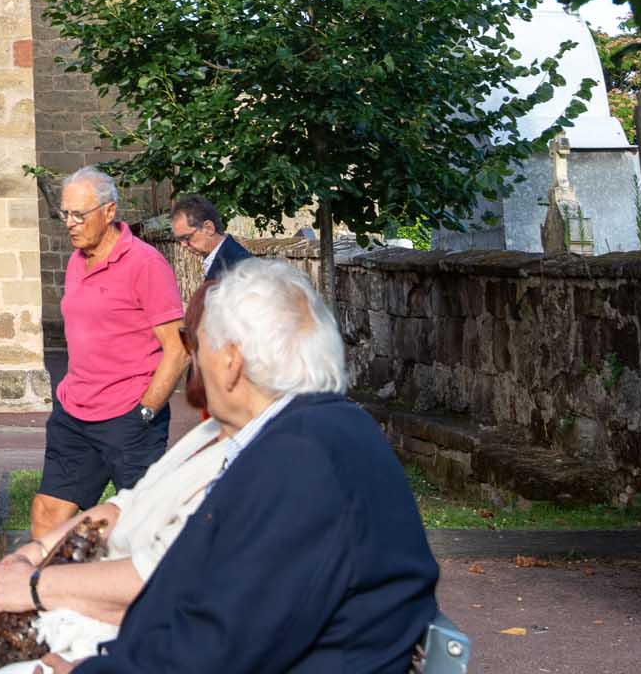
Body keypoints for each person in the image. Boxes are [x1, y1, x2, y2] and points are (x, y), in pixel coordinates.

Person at [64, 261, 440, 674]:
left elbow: (217, 648)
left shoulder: (300, 460)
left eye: (199, 349)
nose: (196, 365)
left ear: (231, 362)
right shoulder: (321, 432)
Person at [0, 282, 228, 671]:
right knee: (50, 510)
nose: (187, 355)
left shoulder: (267, 455)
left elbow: (165, 579)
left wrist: (34, 590)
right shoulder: (210, 437)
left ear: (232, 357)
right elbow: (124, 507)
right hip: (80, 414)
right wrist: (25, 558)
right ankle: (20, 640)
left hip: (136, 651)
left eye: (192, 341)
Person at [35, 169, 187, 546]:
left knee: (139, 527)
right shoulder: (76, 260)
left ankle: (144, 601)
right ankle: (44, 601)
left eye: (78, 215)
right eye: (64, 214)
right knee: (47, 512)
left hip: (129, 419)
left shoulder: (145, 263)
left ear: (109, 211)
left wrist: (146, 412)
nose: (69, 224)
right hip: (75, 414)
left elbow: (178, 348)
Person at [169, 195, 253, 281]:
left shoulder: (239, 265)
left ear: (209, 228)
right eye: (179, 240)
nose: (183, 244)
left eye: (186, 237)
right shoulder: (223, 259)